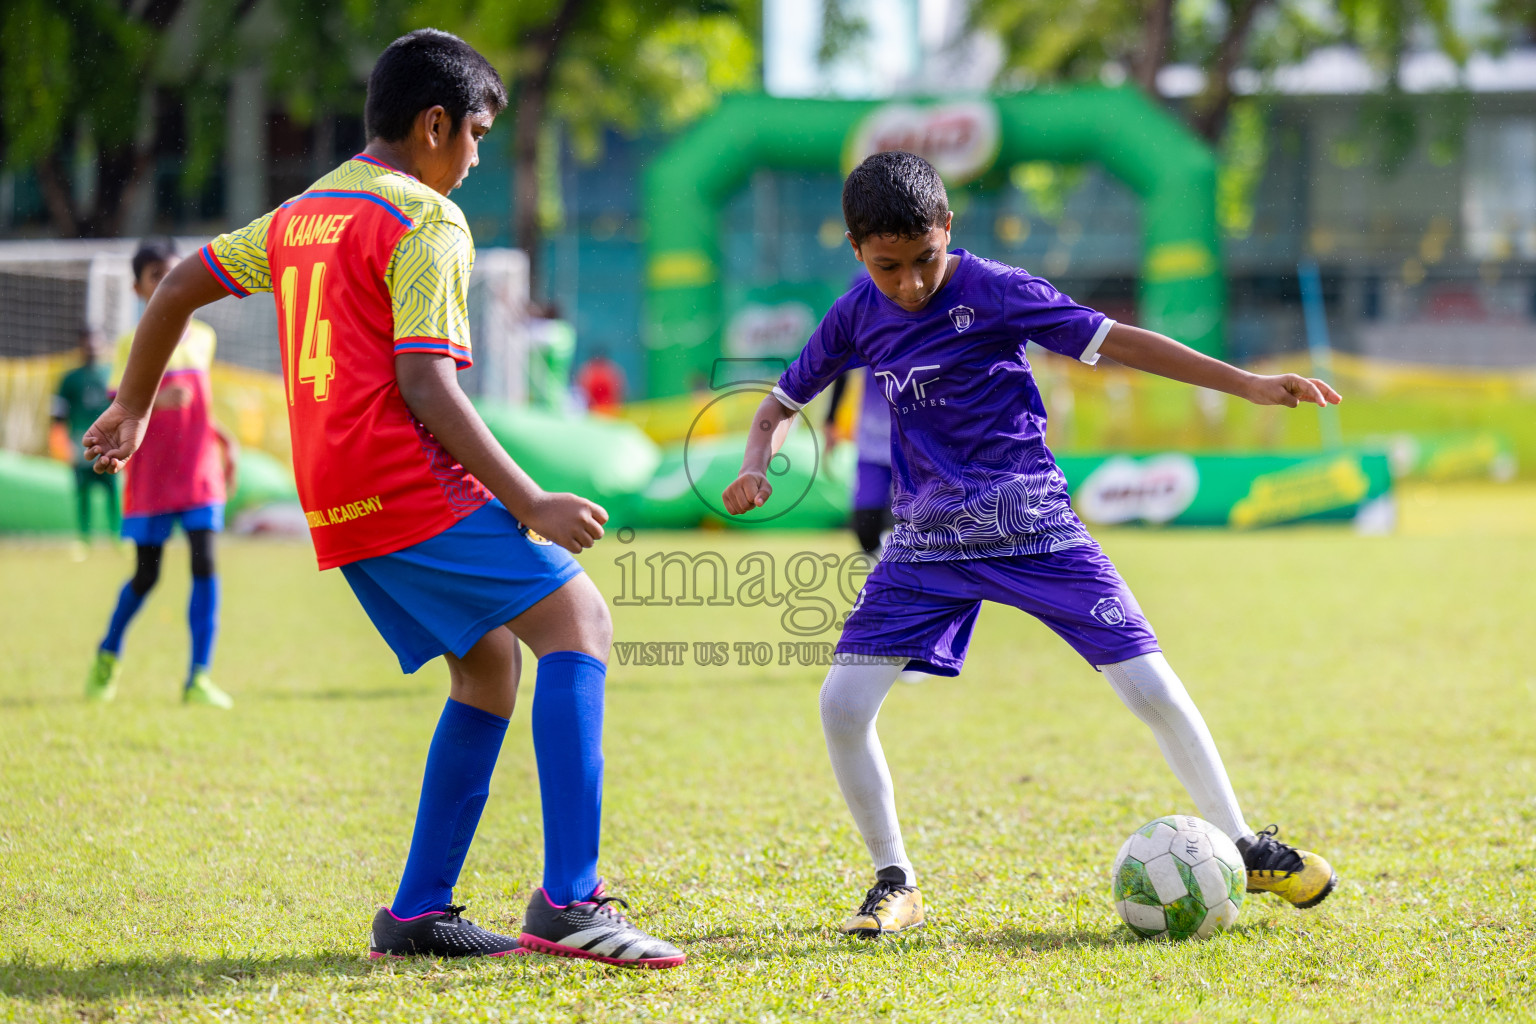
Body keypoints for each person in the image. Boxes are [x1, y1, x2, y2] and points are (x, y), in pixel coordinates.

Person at [84, 29, 683, 967]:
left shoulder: (301, 212)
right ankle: (573, 900)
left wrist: (131, 406)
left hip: (336, 498)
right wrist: (530, 502)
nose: (478, 158)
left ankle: (417, 915)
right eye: (477, 134)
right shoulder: (427, 221)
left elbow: (177, 292)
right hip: (404, 481)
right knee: (580, 622)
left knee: (488, 669)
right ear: (435, 123)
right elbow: (428, 388)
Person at [722, 151, 1340, 939]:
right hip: (928, 542)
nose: (909, 284)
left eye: (924, 260)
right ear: (854, 249)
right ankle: (895, 880)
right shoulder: (854, 314)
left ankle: (1246, 847)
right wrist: (752, 465)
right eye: (887, 267)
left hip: (1037, 529)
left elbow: (1122, 342)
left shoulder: (999, 291)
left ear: (949, 228)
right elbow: (776, 405)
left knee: (1150, 687)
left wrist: (1247, 384)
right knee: (841, 706)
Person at [85, 240, 237, 708]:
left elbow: (199, 407)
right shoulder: (133, 342)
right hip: (152, 476)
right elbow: (122, 405)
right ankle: (107, 654)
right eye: (157, 276)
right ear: (137, 287)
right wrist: (160, 400)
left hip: (198, 472)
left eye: (175, 273)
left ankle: (199, 677)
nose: (169, 284)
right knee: (146, 576)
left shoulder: (206, 337)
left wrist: (221, 438)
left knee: (205, 563)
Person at [52, 328, 120, 548]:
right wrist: (62, 446)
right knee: (83, 493)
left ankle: (118, 537)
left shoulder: (112, 374)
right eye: (87, 342)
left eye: (96, 342)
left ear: (102, 344)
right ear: (81, 345)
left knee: (114, 492)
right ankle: (84, 539)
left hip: (110, 446)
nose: (92, 347)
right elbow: (57, 417)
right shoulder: (70, 379)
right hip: (81, 446)